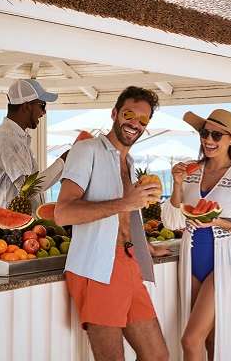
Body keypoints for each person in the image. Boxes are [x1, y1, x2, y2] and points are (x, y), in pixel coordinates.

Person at [55, 86, 170, 361]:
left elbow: (126, 217)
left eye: (143, 121)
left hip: (129, 264)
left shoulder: (128, 161)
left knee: (157, 356)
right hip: (98, 268)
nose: (135, 124)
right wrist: (124, 203)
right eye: (129, 115)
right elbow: (63, 213)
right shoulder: (86, 149)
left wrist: (146, 248)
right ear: (115, 113)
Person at [161, 109, 231, 361]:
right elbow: (173, 221)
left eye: (217, 135)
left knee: (190, 339)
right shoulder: (191, 172)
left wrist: (218, 221)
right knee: (209, 337)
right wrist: (176, 183)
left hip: (222, 263)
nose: (209, 140)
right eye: (205, 133)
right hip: (191, 260)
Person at [0, 79, 67, 211]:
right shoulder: (6, 138)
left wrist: (64, 164)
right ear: (26, 106)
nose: (44, 112)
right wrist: (62, 161)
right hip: (10, 228)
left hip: (23, 224)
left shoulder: (17, 137)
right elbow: (27, 188)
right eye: (42, 105)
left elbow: (35, 185)